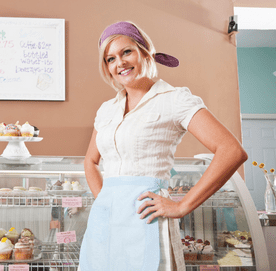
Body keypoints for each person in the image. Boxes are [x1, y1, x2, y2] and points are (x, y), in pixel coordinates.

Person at [79, 21, 248, 271]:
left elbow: (232, 151)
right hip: (106, 221)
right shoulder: (107, 110)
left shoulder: (175, 100)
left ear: (145, 52)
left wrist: (182, 205)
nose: (120, 63)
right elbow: (90, 162)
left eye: (127, 52)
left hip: (147, 217)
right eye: (110, 59)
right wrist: (105, 200)